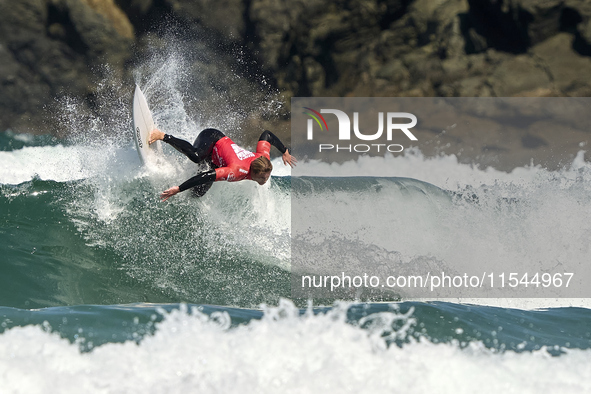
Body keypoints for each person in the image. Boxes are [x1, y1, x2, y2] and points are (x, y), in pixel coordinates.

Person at [148, 128, 296, 201]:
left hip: (214, 160)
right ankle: (162, 136)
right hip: (212, 138)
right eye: (263, 178)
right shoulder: (236, 171)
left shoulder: (264, 159)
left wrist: (285, 151)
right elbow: (206, 176)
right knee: (196, 157)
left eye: (267, 176)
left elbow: (267, 135)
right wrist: (178, 189)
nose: (266, 179)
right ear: (254, 173)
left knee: (198, 194)